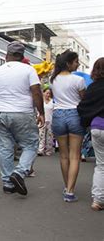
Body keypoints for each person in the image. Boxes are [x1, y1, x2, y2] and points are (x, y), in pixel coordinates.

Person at [0, 41, 44, 196]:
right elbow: (37, 92)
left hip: (2, 113)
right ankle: (19, 172)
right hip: (23, 112)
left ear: (7, 55)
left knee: (5, 148)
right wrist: (41, 113)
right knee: (31, 145)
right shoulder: (28, 70)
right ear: (22, 55)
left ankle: (7, 183)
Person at [49, 50, 86, 202]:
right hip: (75, 115)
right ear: (68, 63)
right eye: (76, 61)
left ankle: (67, 187)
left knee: (63, 155)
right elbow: (84, 100)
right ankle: (70, 191)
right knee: (75, 156)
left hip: (58, 115)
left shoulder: (53, 80)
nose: (77, 64)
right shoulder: (78, 80)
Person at [77, 57, 104, 210]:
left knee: (101, 166)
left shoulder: (92, 88)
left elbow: (82, 107)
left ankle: (98, 200)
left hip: (96, 127)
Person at [38, 87, 55, 156]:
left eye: (49, 93)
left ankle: (48, 150)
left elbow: (55, 111)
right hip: (42, 120)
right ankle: (40, 150)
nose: (48, 95)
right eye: (47, 93)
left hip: (50, 121)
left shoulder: (52, 102)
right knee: (41, 136)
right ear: (43, 93)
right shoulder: (40, 101)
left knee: (49, 136)